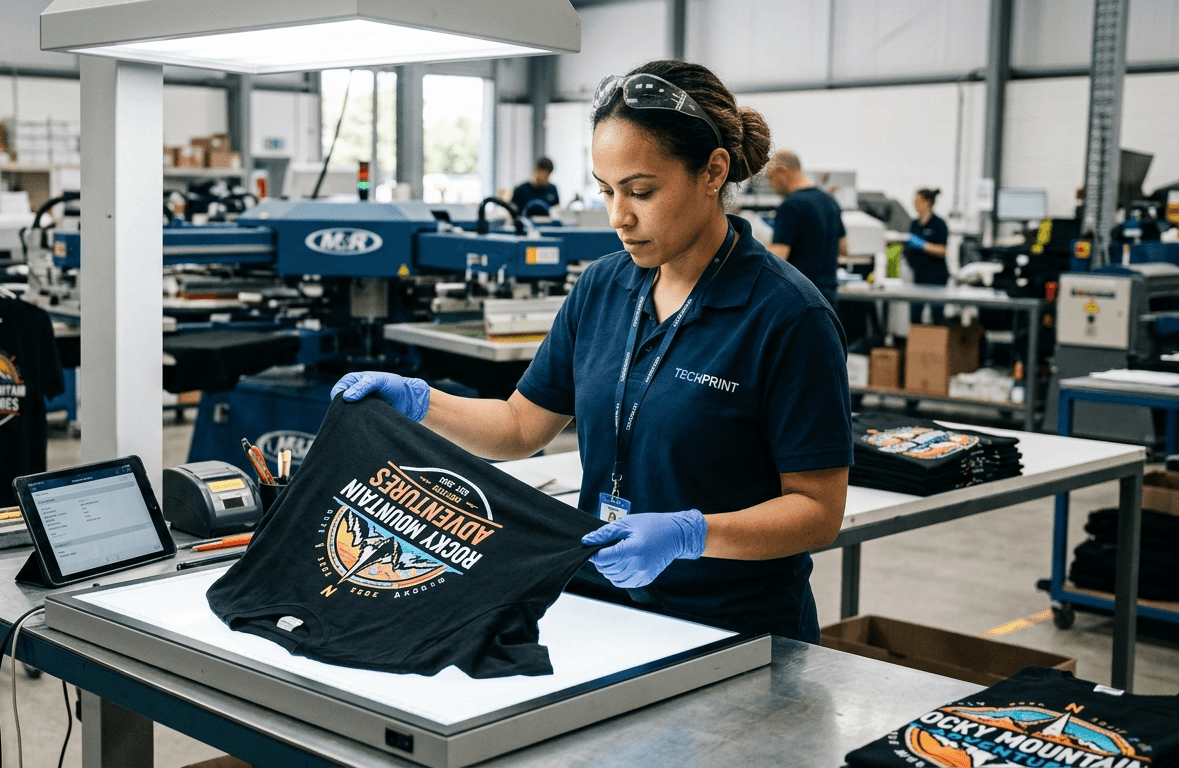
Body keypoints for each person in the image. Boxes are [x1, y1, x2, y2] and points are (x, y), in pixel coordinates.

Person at [331, 60, 852, 643]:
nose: (618, 217)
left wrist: (690, 534)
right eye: (606, 191)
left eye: (641, 191)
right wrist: (421, 403)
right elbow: (520, 425)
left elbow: (817, 510)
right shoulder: (604, 287)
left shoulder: (787, 316)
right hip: (600, 609)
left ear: (713, 171)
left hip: (733, 628)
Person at [764, 150, 847, 308]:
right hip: (828, 297)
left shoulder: (790, 206)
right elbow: (844, 248)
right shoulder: (829, 201)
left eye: (770, 177)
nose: (771, 185)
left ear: (782, 172)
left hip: (799, 299)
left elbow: (777, 258)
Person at [905, 187, 950, 323]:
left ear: (927, 203)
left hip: (936, 277)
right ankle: (917, 344)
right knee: (915, 315)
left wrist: (923, 245)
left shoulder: (939, 224)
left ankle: (937, 343)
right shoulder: (914, 224)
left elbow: (942, 250)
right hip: (919, 275)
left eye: (917, 202)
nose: (915, 205)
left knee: (936, 315)